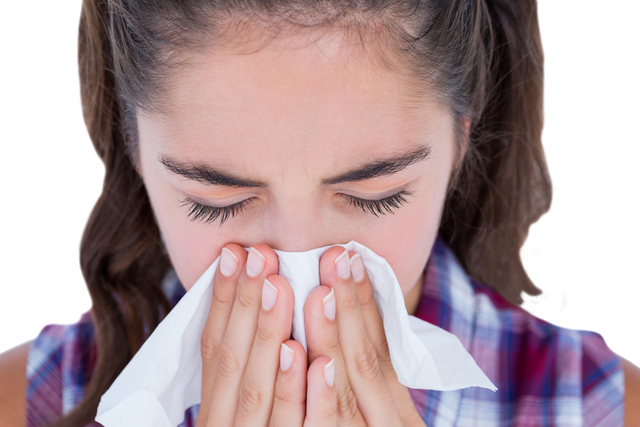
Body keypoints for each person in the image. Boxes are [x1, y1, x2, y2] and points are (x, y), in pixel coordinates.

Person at [1, 0, 638, 425]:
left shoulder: (595, 406)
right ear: (135, 151)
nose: (298, 266)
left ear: (461, 139)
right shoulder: (29, 401)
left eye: (374, 196)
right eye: (216, 202)